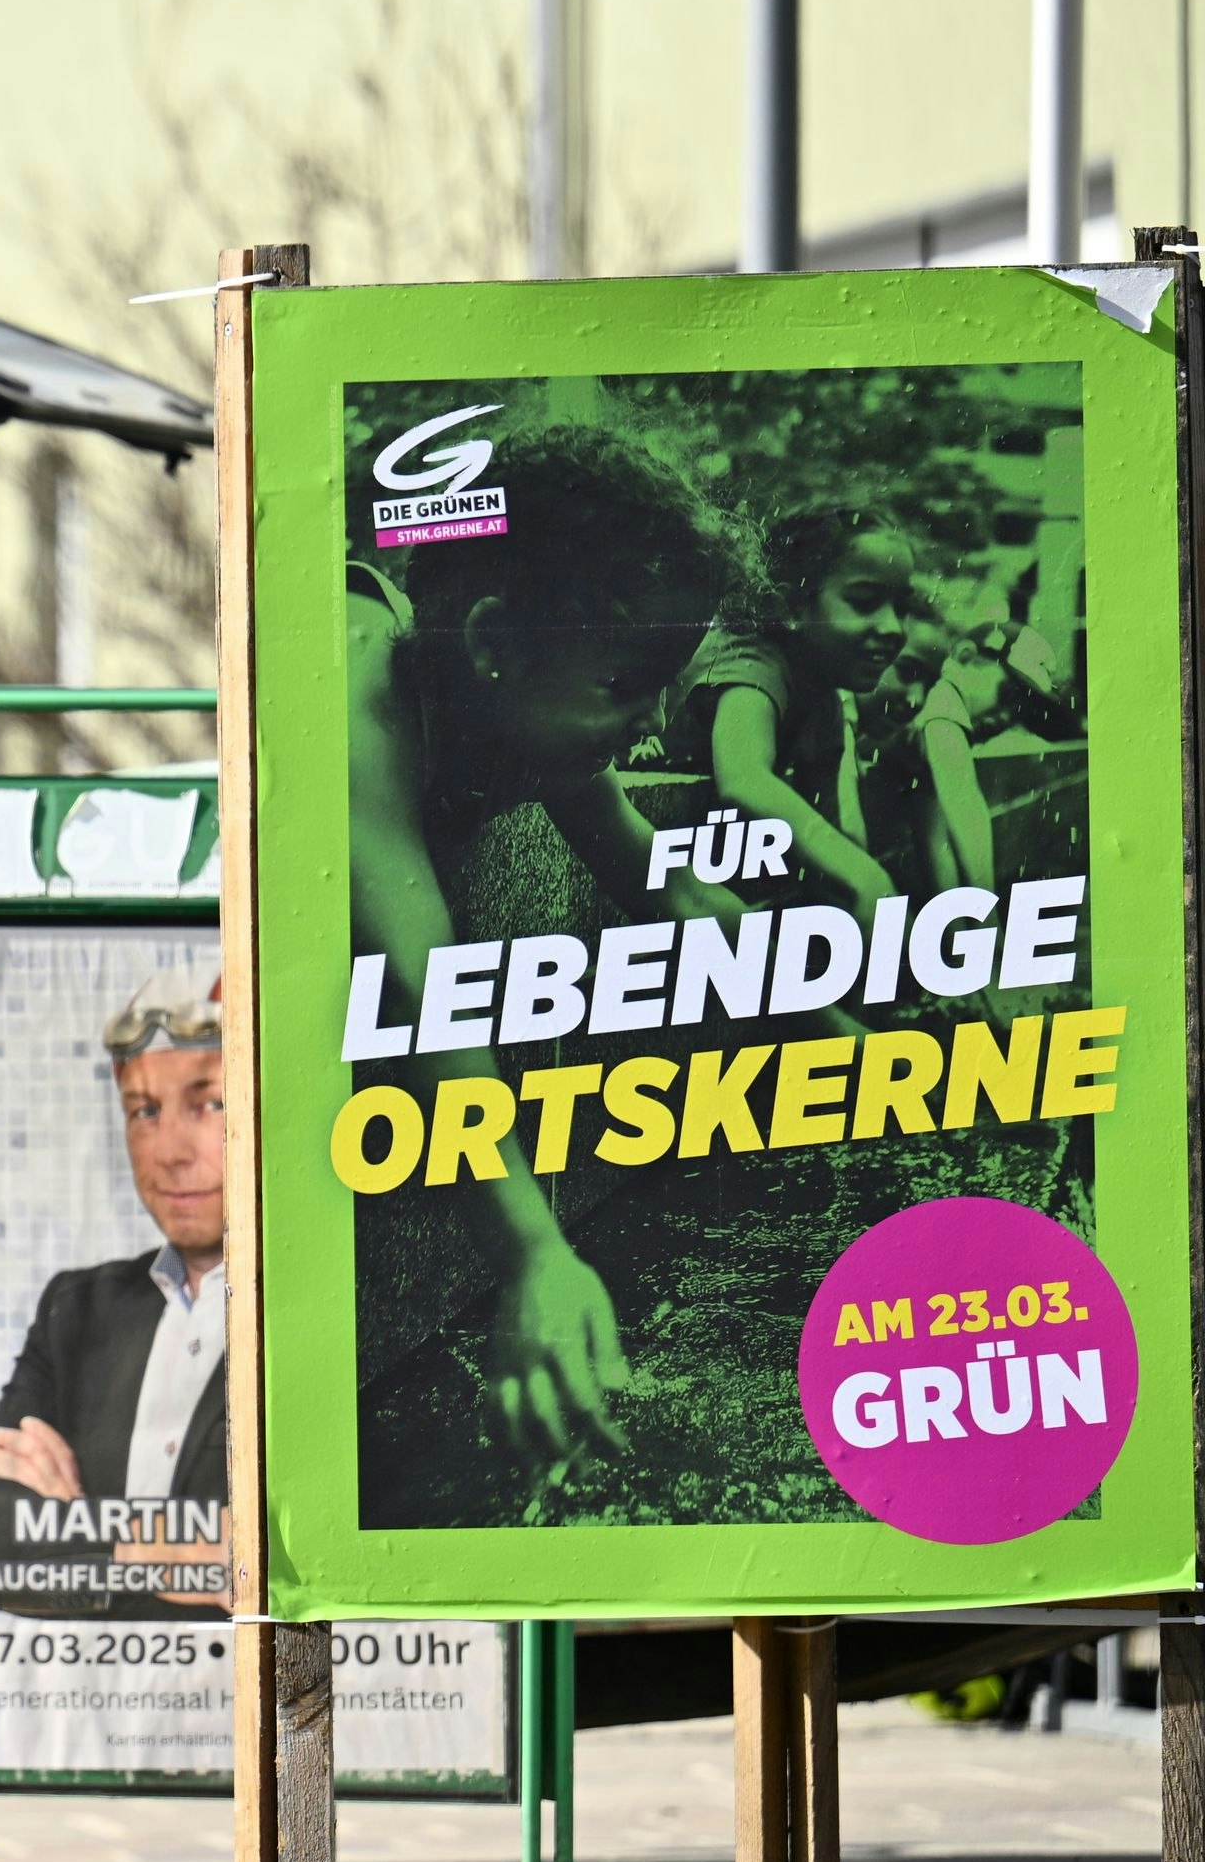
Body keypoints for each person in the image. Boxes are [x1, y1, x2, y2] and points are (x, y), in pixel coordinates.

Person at [346, 421, 750, 1460]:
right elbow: (426, 991)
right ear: (490, 640)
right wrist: (531, 1257)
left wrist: (849, 1017)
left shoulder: (521, 695)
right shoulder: (357, 709)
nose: (656, 728)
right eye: (625, 689)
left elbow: (661, 882)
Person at [0, 966, 231, 1621]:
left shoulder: (341, 1317)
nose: (171, 1152)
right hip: (104, 1713)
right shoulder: (81, 1311)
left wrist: (68, 1524)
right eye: (145, 1111)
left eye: (211, 1104)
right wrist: (133, 1545)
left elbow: (270, 1562)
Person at [675, 507, 918, 920]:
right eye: (865, 602)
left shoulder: (821, 692)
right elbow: (744, 779)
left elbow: (833, 828)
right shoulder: (751, 661)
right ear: (791, 603)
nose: (894, 628)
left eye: (901, 607)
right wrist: (866, 878)